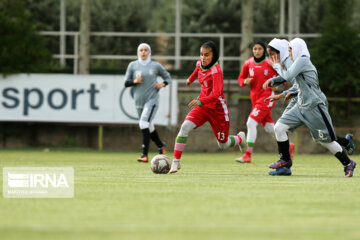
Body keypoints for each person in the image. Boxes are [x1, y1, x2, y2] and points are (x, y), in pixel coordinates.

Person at [263, 38, 356, 177]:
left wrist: (276, 68)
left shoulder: (302, 60)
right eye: (288, 50)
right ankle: (285, 162)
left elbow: (288, 75)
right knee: (279, 128)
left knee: (326, 141)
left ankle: (348, 163)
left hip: (314, 106)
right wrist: (276, 81)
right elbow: (293, 79)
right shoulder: (295, 61)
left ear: (297, 48)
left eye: (290, 49)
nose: (289, 53)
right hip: (301, 104)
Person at [169, 41, 246, 174]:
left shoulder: (216, 72)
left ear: (214, 56)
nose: (203, 58)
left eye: (206, 55)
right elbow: (197, 70)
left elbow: (216, 94)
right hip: (203, 106)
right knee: (185, 127)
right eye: (201, 55)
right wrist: (190, 79)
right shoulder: (200, 63)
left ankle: (239, 138)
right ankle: (176, 162)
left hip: (218, 109)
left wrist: (200, 101)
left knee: (223, 144)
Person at [235, 40, 294, 163]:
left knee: (251, 123)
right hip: (255, 100)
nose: (257, 51)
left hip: (267, 98)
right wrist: (244, 81)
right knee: (269, 128)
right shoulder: (248, 63)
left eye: (259, 49)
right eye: (255, 49)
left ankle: (247, 154)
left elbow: (284, 75)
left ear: (264, 51)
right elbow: (240, 79)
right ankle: (289, 146)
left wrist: (277, 85)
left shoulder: (270, 62)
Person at [124, 43, 171, 162]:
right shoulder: (133, 65)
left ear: (149, 52)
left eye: (146, 50)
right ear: (138, 52)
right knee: (148, 126)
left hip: (152, 99)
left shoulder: (155, 66)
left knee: (143, 123)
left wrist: (162, 84)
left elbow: (167, 77)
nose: (143, 52)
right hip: (139, 101)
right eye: (141, 50)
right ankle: (161, 145)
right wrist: (135, 81)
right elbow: (126, 83)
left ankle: (144, 154)